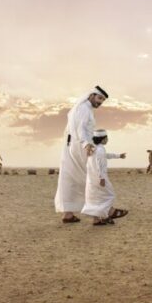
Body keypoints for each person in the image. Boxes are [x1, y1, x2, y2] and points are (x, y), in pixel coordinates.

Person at [55, 85, 109, 223]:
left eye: (102, 100)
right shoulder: (84, 109)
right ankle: (97, 216)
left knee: (69, 178)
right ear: (91, 95)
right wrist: (86, 144)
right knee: (92, 177)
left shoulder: (79, 108)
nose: (100, 102)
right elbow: (81, 129)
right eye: (99, 98)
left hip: (70, 146)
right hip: (81, 146)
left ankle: (68, 214)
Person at [81, 129, 128, 225]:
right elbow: (100, 164)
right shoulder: (100, 150)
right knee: (108, 195)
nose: (108, 140)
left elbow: (106, 156)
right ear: (102, 139)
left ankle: (97, 219)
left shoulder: (93, 148)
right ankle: (110, 213)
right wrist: (101, 178)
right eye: (107, 138)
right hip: (99, 177)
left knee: (94, 198)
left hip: (91, 178)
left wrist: (119, 156)